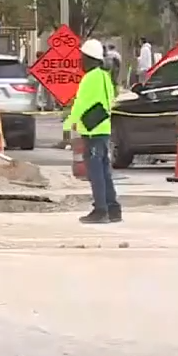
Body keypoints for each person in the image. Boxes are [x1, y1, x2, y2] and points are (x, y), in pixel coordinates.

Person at [63, 38, 121, 224]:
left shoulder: (90, 78)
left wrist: (68, 125)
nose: (80, 61)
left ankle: (100, 210)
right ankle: (113, 209)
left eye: (82, 57)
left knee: (95, 172)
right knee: (104, 171)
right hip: (103, 129)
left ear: (89, 58)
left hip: (92, 131)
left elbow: (80, 104)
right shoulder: (105, 76)